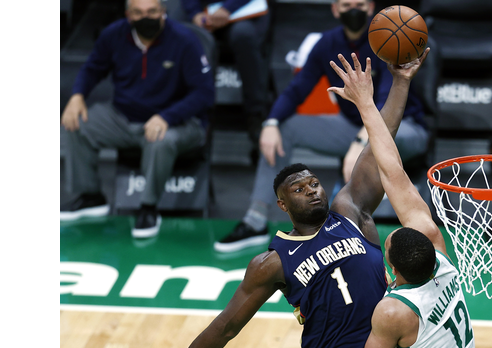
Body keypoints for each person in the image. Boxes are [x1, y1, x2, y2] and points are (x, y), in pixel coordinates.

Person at [169, 49, 430, 348]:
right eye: (299, 187)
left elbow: (381, 144)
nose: (311, 190)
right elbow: (226, 326)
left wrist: (401, 82)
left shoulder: (351, 211)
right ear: (282, 204)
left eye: (314, 183)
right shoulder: (271, 262)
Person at [328, 54, 490, 348]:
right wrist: (368, 103)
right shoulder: (441, 257)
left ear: (393, 270)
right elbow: (393, 172)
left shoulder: (392, 311)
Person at [212, 0, 429, 253]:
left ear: (371, 8)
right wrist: (271, 122)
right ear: (335, 9)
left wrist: (362, 144)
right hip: (352, 127)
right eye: (346, 5)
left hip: (404, 128)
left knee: (373, 141)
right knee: (284, 129)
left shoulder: (384, 39)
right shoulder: (327, 43)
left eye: (359, 4)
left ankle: (351, 225)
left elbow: (382, 105)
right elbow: (297, 90)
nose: (353, 10)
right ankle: (255, 219)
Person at [60, 0, 215, 238]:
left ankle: (149, 208)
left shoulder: (184, 40)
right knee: (75, 123)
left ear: (163, 12)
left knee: (160, 140)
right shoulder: (114, 35)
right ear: (128, 15)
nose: (146, 17)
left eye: (152, 11)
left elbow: (205, 93)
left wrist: (167, 116)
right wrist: (77, 95)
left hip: (180, 121)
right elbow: (92, 68)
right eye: (139, 12)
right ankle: (90, 196)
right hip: (123, 117)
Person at [180, 0, 272, 144]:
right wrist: (195, 13)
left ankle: (256, 114)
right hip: (206, 11)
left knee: (243, 35)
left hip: (246, 10)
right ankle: (192, 113)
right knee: (190, 35)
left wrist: (227, 8)